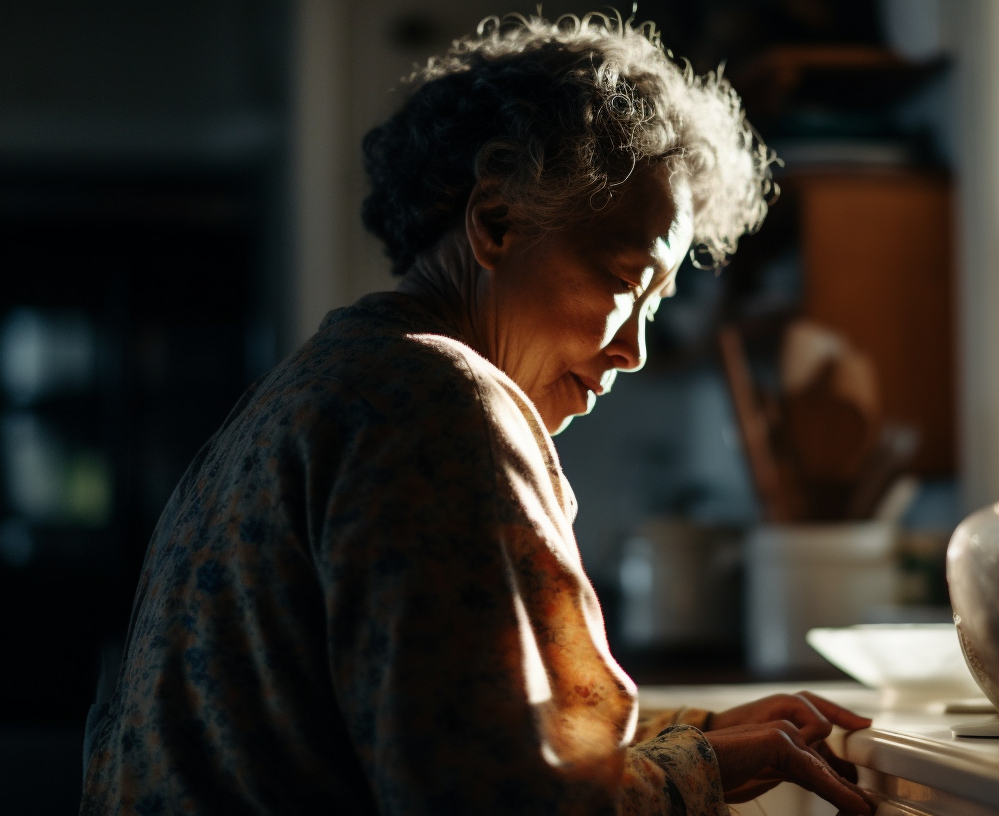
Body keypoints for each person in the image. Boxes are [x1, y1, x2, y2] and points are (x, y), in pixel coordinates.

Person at [81, 12, 875, 816]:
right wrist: (693, 767)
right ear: (496, 222)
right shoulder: (437, 401)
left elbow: (430, 720)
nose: (635, 347)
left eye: (658, 302)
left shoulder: (316, 388)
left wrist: (696, 732)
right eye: (625, 281)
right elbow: (494, 803)